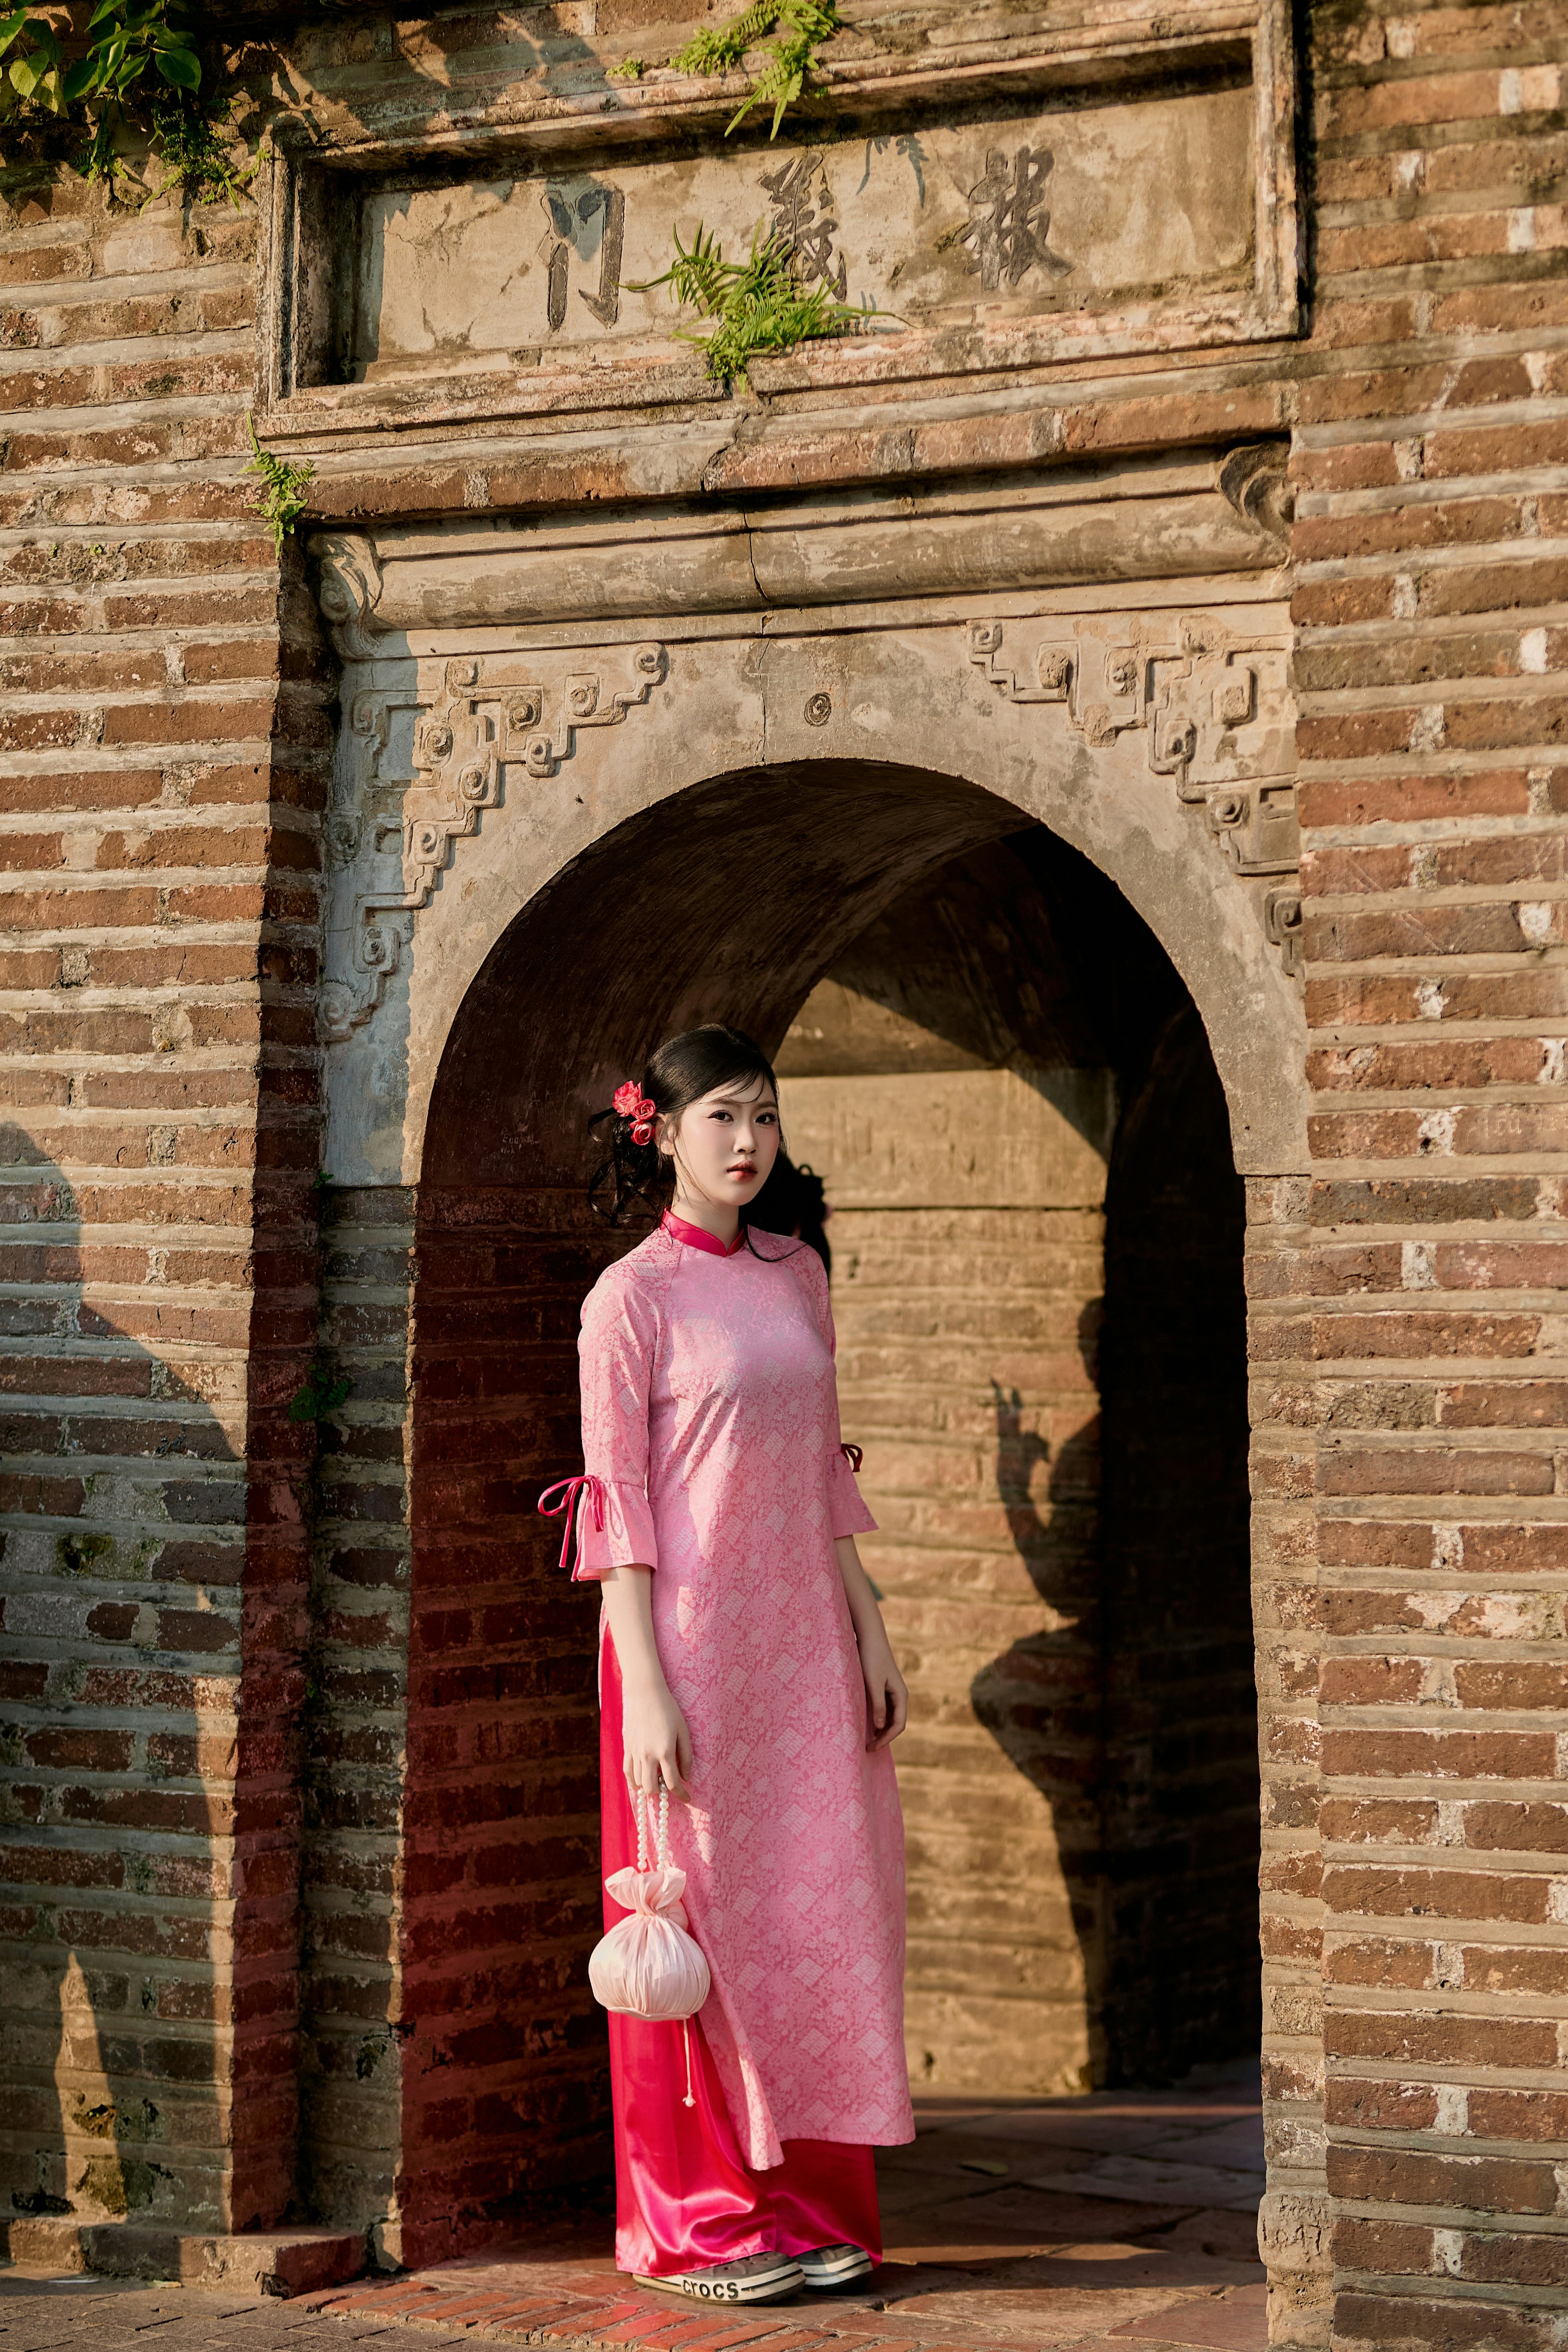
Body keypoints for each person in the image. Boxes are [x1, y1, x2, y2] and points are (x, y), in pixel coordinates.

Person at [540, 1025, 912, 2306]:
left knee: (817, 1910)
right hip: (683, 1647)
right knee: (698, 1917)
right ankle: (693, 2225)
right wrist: (642, 1678)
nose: (747, 1141)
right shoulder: (627, 1299)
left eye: (763, 1116)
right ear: (662, 1132)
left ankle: (806, 2204)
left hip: (802, 1636)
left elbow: (822, 1464)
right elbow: (617, 1502)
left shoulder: (798, 1271)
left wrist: (865, 1623)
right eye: (722, 1119)